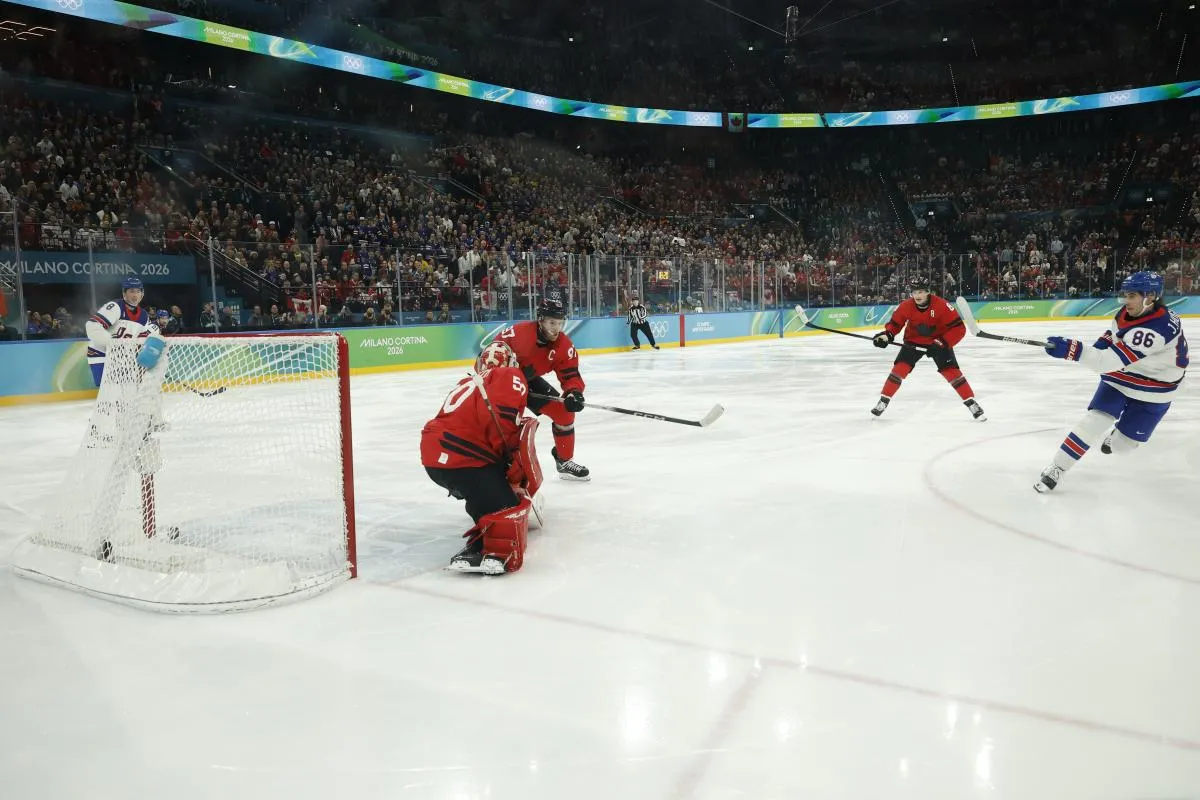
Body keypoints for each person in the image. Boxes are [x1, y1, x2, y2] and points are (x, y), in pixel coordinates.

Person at [1034, 271, 1187, 493]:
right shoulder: (1132, 311)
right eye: (1125, 294)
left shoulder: (1154, 331)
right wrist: (1101, 344)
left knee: (1122, 447)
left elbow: (1105, 362)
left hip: (1157, 387)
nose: (1126, 300)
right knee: (1094, 421)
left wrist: (1073, 350)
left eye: (1132, 296)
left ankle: (1117, 436)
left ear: (1151, 296)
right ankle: (1057, 468)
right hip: (1122, 374)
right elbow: (1115, 333)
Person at [420, 341, 541, 574]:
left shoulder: (468, 382)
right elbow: (501, 421)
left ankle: (483, 504)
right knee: (506, 509)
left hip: (435, 457)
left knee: (485, 489)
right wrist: (508, 460)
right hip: (463, 458)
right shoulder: (510, 375)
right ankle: (481, 548)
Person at [495, 298, 590, 481]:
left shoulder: (564, 345)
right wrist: (510, 376)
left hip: (529, 381)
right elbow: (489, 358)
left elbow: (570, 375)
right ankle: (497, 466)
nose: (557, 328)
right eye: (552, 323)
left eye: (560, 323)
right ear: (540, 320)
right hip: (501, 383)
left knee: (564, 413)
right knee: (506, 424)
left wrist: (574, 393)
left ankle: (564, 461)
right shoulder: (517, 334)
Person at [870, 277, 986, 421]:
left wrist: (941, 343)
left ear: (928, 292)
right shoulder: (906, 306)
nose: (917, 295)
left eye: (920, 292)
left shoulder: (942, 305)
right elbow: (895, 324)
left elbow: (958, 329)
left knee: (952, 372)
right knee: (899, 369)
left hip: (939, 342)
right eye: (914, 292)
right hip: (913, 341)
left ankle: (971, 403)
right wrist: (886, 335)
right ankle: (883, 401)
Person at [85, 276, 160, 387]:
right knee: (105, 385)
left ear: (142, 294)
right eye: (131, 291)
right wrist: (110, 343)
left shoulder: (144, 316)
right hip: (100, 352)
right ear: (124, 293)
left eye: (138, 291)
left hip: (121, 357)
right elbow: (92, 325)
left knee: (123, 386)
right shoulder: (116, 307)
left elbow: (141, 340)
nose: (135, 295)